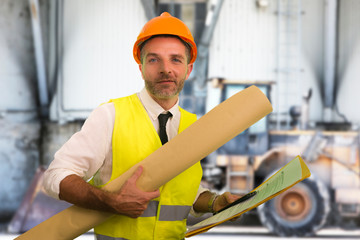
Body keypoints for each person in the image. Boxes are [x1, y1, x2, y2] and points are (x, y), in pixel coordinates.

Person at [44, 12, 240, 239]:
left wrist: (215, 202)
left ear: (189, 69)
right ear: (141, 67)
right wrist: (112, 201)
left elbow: (180, 192)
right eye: (154, 59)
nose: (166, 69)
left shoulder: (191, 125)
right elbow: (55, 176)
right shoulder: (111, 115)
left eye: (175, 59)